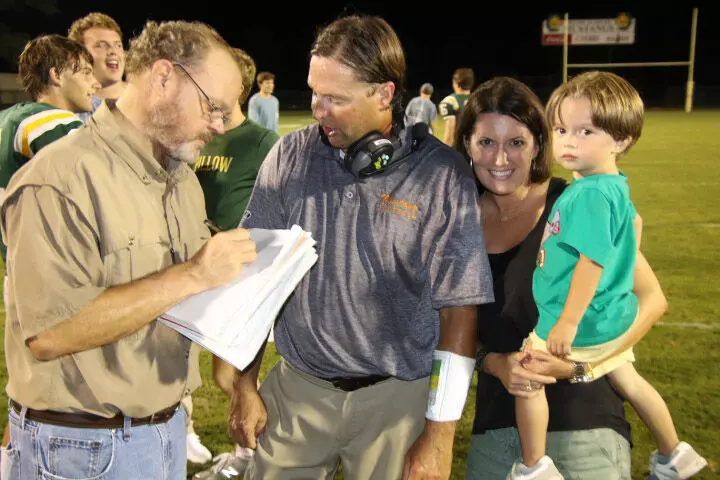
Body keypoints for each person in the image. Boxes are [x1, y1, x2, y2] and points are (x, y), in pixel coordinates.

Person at [229, 15, 493, 480]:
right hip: (297, 392)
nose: (317, 109)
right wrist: (244, 385)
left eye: (335, 98)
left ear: (385, 95)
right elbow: (256, 277)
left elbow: (460, 313)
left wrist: (439, 436)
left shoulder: (442, 175)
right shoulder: (289, 156)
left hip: (397, 402)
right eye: (314, 93)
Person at [0, 20, 257, 480]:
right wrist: (193, 273)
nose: (219, 126)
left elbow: (178, 301)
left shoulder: (180, 178)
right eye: (213, 107)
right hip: (81, 448)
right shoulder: (60, 177)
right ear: (164, 77)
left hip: (163, 431)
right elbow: (50, 332)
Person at [455, 76, 674, 480]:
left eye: (516, 142)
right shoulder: (455, 223)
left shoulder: (575, 204)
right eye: (486, 142)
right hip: (495, 435)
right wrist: (496, 364)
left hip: (586, 431)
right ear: (466, 144)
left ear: (538, 144)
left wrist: (581, 367)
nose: (500, 158)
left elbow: (651, 300)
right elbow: (453, 329)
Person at [510, 71, 707, 479]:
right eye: (561, 129)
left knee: (528, 375)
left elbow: (591, 263)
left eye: (585, 131)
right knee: (629, 380)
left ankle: (533, 467)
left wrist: (567, 321)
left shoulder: (588, 195)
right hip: (610, 317)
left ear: (621, 141)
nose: (569, 141)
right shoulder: (613, 186)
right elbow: (627, 235)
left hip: (580, 324)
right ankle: (674, 452)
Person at [0, 32, 99, 477]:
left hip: (20, 272)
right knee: (67, 400)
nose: (93, 82)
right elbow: (100, 176)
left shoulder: (10, 119)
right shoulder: (50, 121)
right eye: (84, 72)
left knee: (28, 392)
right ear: (57, 75)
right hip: (56, 281)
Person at [190, 47, 280, 479]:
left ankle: (251, 453)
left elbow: (278, 206)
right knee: (202, 370)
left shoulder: (262, 142)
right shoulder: (198, 133)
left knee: (232, 375)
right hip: (191, 267)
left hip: (236, 271)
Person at [68, 12, 126, 120]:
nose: (113, 51)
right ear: (79, 55)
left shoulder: (148, 97)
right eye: (101, 45)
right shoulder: (72, 113)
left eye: (118, 45)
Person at [439, 67, 473, 147]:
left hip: (458, 149)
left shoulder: (451, 101)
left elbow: (449, 136)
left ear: (456, 83)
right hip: (475, 149)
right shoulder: (478, 99)